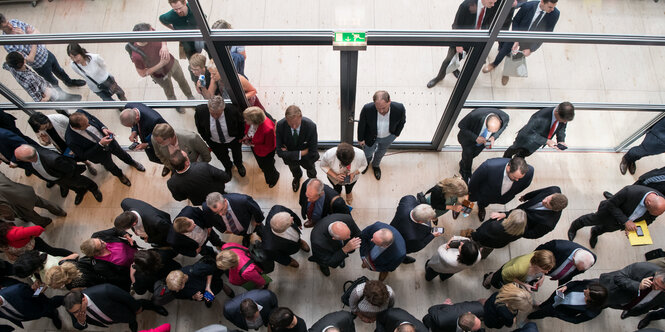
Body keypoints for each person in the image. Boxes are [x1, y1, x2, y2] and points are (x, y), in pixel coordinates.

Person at [426, 0, 509, 88]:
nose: (493, 5)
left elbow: (487, 22)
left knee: (460, 58)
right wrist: (458, 44)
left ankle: (454, 69)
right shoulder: (466, 5)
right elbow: (456, 26)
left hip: (476, 40)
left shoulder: (490, 7)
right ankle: (439, 77)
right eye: (491, 3)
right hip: (461, 40)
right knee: (449, 60)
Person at [483, 0, 560, 86]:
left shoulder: (555, 14)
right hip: (517, 34)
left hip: (530, 42)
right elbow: (516, 20)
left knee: (517, 58)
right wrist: (516, 38)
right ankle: (494, 64)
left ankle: (507, 73)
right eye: (550, 7)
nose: (552, 9)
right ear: (542, 2)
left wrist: (531, 49)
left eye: (554, 7)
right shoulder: (528, 6)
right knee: (504, 51)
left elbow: (546, 34)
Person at [568, 184, 665, 248]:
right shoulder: (630, 191)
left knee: (606, 229)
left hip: (620, 223)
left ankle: (595, 232)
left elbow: (650, 218)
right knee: (590, 219)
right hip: (608, 213)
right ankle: (574, 227)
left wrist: (635, 228)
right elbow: (611, 204)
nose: (652, 215)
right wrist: (626, 221)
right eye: (650, 211)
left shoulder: (660, 204)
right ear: (648, 202)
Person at [0, 14, 85, 87]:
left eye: (8, 22)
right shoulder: (9, 44)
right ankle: (62, 97)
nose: (10, 26)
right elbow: (30, 59)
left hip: (46, 53)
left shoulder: (15, 22)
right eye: (5, 26)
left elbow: (37, 32)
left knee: (60, 71)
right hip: (40, 65)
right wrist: (30, 37)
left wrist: (29, 37)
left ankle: (69, 82)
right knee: (52, 82)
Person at [65, 110, 145, 186]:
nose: (89, 125)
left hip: (109, 140)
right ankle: (120, 175)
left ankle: (132, 162)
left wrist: (103, 128)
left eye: (88, 122)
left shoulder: (81, 112)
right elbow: (83, 155)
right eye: (86, 125)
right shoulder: (71, 140)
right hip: (99, 154)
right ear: (77, 128)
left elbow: (93, 118)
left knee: (122, 153)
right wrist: (100, 144)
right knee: (110, 166)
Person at [130, 23, 194, 113]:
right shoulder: (137, 55)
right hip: (160, 75)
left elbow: (162, 36)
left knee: (182, 80)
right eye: (150, 33)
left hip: (172, 63)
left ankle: (190, 96)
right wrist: (161, 64)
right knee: (169, 91)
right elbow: (142, 73)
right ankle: (176, 105)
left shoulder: (150, 31)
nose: (153, 33)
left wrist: (164, 45)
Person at [13, 144, 102, 205]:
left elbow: (70, 168)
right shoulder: (31, 152)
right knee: (70, 186)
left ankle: (93, 188)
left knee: (81, 181)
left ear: (27, 160)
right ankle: (80, 191)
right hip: (56, 178)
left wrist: (67, 179)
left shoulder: (53, 160)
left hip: (67, 176)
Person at [63, 284, 168, 332]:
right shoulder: (72, 307)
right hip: (115, 317)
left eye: (78, 311)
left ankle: (153, 306)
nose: (76, 314)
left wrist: (137, 307)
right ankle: (132, 321)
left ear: (83, 300)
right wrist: (81, 321)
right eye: (74, 313)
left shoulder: (104, 290)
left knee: (140, 305)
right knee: (129, 319)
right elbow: (78, 326)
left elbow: (126, 298)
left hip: (123, 309)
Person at [27, 111, 97, 175]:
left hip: (72, 141)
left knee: (83, 153)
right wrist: (46, 141)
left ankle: (91, 162)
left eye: (46, 127)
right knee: (74, 158)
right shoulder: (39, 129)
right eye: (42, 129)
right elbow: (44, 142)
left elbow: (74, 129)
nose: (45, 130)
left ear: (46, 120)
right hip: (61, 146)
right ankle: (87, 163)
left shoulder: (59, 118)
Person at [357, 91, 406, 180]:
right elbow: (362, 124)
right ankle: (366, 163)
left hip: (388, 136)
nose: (381, 111)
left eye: (383, 108)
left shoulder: (399, 108)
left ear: (389, 101)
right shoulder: (367, 108)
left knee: (381, 152)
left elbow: (402, 121)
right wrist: (360, 139)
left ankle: (376, 165)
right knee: (367, 152)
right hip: (370, 137)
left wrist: (396, 134)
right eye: (378, 108)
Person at [194, 95, 247, 178]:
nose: (215, 116)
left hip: (233, 139)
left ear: (223, 109)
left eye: (218, 114)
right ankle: (228, 167)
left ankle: (239, 165)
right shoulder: (200, 111)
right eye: (212, 113)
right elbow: (200, 127)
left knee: (237, 154)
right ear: (208, 108)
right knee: (222, 157)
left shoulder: (233, 110)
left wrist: (240, 137)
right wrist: (208, 140)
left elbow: (241, 124)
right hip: (215, 142)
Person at [468, 156, 534, 221]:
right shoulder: (488, 166)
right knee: (483, 202)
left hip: (502, 197)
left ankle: (482, 206)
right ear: (508, 168)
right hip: (486, 194)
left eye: (519, 178)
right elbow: (474, 182)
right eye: (514, 177)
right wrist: (470, 197)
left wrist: (511, 193)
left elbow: (525, 185)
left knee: (487, 203)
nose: (517, 180)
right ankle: (481, 206)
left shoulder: (530, 171)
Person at [503, 102, 575, 159]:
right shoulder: (540, 116)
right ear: (557, 113)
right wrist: (546, 141)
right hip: (524, 140)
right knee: (511, 152)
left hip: (536, 143)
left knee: (521, 157)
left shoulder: (564, 116)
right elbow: (527, 133)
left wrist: (561, 140)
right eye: (563, 121)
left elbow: (561, 129)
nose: (565, 123)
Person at [456, 108, 510, 182]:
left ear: (500, 122)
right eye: (489, 130)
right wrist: (476, 138)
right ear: (485, 121)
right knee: (468, 154)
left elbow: (503, 128)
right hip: (469, 140)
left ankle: (463, 162)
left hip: (483, 142)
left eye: (493, 131)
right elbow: (461, 126)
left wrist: (494, 136)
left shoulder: (505, 118)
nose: (490, 132)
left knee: (473, 154)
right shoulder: (474, 115)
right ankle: (465, 172)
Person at [492, 186, 567, 239]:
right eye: (546, 198)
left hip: (518, 226)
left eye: (547, 204)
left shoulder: (548, 223)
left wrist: (516, 230)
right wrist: (525, 197)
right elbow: (538, 192)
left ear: (554, 210)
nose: (543, 201)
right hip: (517, 212)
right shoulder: (554, 189)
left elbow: (533, 234)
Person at [3, 52, 82, 102]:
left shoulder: (10, 66)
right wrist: (47, 95)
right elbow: (39, 100)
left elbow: (4, 65)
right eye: (22, 55)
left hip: (45, 85)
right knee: (60, 106)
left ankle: (64, 98)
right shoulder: (29, 80)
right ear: (23, 62)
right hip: (50, 95)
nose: (22, 53)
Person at [276, 105, 320, 192]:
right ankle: (297, 177)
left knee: (311, 170)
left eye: (296, 123)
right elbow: (279, 152)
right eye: (291, 124)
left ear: (301, 116)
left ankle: (312, 179)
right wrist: (301, 153)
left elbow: (313, 151)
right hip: (291, 160)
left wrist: (289, 153)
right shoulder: (280, 126)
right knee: (295, 171)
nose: (294, 126)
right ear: (286, 119)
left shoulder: (311, 126)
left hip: (307, 159)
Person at [0, 171, 66, 227]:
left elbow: (5, 210)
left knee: (33, 217)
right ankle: (60, 211)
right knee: (44, 203)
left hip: (18, 208)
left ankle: (45, 222)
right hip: (23, 193)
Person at [599, 263, 665, 319]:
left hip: (632, 307)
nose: (656, 288)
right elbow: (618, 277)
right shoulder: (643, 268)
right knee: (602, 302)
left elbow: (658, 305)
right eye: (656, 284)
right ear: (656, 273)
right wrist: (638, 286)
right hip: (613, 294)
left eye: (663, 289)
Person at [166, 149, 231, 205]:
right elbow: (225, 177)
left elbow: (179, 198)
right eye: (187, 156)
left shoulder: (171, 183)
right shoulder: (203, 167)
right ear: (186, 163)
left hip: (200, 202)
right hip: (218, 193)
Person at [528, 279, 608, 324]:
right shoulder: (592, 283)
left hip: (557, 310)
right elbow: (576, 283)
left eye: (586, 294)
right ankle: (541, 305)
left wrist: (558, 315)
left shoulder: (592, 312)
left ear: (592, 300)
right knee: (548, 302)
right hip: (560, 294)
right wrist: (566, 287)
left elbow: (576, 320)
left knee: (543, 312)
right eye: (586, 289)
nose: (584, 290)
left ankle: (530, 316)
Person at [119, 103, 168, 174]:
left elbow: (166, 135)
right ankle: (166, 164)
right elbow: (135, 124)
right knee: (153, 158)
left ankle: (169, 165)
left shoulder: (155, 120)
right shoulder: (128, 107)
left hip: (157, 142)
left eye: (132, 125)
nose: (131, 127)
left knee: (163, 155)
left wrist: (148, 144)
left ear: (137, 118)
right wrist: (134, 131)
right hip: (146, 139)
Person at [390, 195, 440, 263]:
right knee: (399, 252)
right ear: (420, 222)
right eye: (429, 219)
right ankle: (402, 258)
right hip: (400, 244)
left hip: (392, 228)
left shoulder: (408, 200)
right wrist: (432, 235)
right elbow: (419, 246)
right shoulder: (413, 237)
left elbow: (407, 198)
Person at [165, 258, 234, 307]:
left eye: (178, 288)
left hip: (212, 283)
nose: (177, 291)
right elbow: (181, 295)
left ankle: (223, 286)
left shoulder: (196, 270)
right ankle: (209, 300)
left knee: (219, 285)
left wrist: (208, 286)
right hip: (203, 292)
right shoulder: (175, 289)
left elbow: (210, 270)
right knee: (209, 298)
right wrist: (193, 297)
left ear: (183, 280)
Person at [243, 106, 280, 187]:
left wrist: (252, 144)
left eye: (247, 119)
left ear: (254, 121)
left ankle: (274, 178)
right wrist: (247, 138)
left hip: (265, 152)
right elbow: (248, 131)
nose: (245, 121)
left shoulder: (268, 129)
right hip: (256, 148)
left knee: (268, 168)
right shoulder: (252, 121)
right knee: (262, 165)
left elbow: (270, 146)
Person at [483, 249, 555, 290]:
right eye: (545, 269)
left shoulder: (538, 255)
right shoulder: (519, 268)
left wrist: (542, 277)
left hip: (513, 272)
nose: (547, 272)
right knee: (494, 280)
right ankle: (487, 280)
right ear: (537, 265)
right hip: (505, 274)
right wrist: (524, 284)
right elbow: (505, 275)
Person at [0, 222, 71, 263]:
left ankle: (73, 256)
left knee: (52, 252)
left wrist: (30, 237)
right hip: (28, 253)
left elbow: (38, 229)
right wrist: (8, 253)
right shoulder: (3, 241)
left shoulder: (12, 234)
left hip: (35, 245)